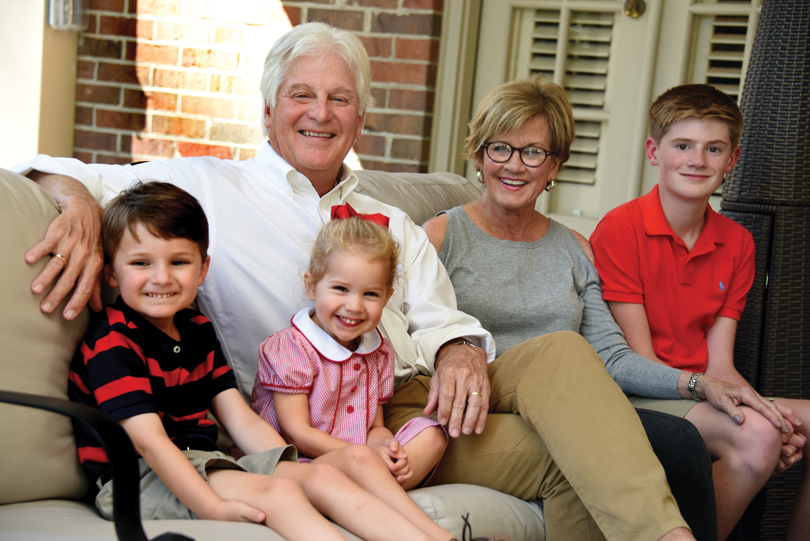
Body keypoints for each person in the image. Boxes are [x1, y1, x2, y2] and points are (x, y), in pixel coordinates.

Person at [16, 21, 693, 541]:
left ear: (360, 119)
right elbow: (55, 167)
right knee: (562, 458)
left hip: (412, 397)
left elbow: (444, 319)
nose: (321, 112)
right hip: (326, 417)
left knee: (564, 356)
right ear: (268, 109)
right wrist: (77, 207)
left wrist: (460, 351)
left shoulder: (393, 218)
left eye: (340, 98)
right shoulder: (206, 188)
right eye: (302, 95)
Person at [69, 180, 474, 541]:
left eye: (178, 262)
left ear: (202, 268)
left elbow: (239, 419)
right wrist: (211, 506)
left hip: (206, 462)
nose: (162, 277)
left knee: (324, 475)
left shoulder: (196, 329)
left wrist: (293, 466)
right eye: (141, 263)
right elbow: (149, 443)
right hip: (136, 478)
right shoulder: (114, 341)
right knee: (282, 492)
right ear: (111, 273)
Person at [420, 74, 721, 540]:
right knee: (561, 349)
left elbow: (611, 358)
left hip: (557, 412)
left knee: (676, 442)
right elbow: (400, 341)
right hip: (469, 410)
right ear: (480, 155)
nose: (514, 166)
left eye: (533, 152)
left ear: (554, 163)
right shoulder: (440, 238)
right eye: (500, 148)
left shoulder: (575, 250)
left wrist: (697, 383)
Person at [590, 84, 810, 541]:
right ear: (654, 151)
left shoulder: (737, 242)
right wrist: (764, 424)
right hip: (642, 391)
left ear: (732, 160)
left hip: (702, 388)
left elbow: (721, 363)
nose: (698, 160)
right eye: (683, 146)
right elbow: (639, 362)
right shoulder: (620, 228)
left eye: (714, 149)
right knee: (760, 437)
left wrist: (770, 411)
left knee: (787, 424)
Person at [251, 214, 448, 491]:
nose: (354, 306)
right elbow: (297, 433)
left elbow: (374, 427)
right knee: (340, 470)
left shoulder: (378, 353)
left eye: (370, 294)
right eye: (341, 289)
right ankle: (367, 491)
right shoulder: (291, 348)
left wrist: (386, 447)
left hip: (358, 458)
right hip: (300, 462)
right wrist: (363, 457)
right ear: (311, 286)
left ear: (387, 297)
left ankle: (370, 488)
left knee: (432, 435)